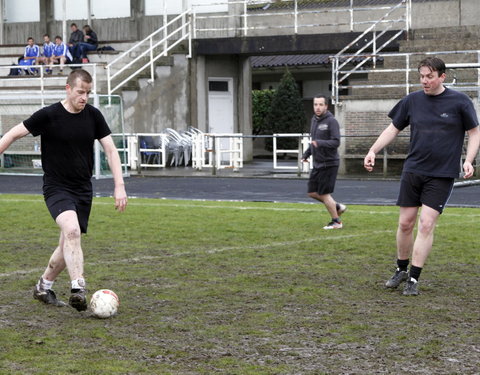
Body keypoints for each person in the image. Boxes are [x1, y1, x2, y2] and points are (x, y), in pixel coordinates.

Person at [0, 69, 128, 311]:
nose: (84, 97)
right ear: (68, 89)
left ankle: (43, 287)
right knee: (71, 231)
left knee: (67, 244)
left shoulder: (93, 116)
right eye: (80, 92)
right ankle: (78, 287)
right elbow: (13, 134)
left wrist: (119, 186)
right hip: (56, 187)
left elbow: (111, 150)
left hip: (82, 189)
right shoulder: (49, 115)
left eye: (88, 93)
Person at [364, 56, 480, 296]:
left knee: (426, 223)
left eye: (429, 77)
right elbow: (392, 129)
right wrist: (373, 150)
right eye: (422, 76)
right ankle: (401, 269)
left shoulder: (460, 101)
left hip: (441, 174)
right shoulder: (412, 101)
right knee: (405, 223)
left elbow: (474, 132)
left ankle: (414, 280)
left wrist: (469, 160)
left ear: (442, 77)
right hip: (413, 170)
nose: (424, 81)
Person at [302, 94, 347, 229]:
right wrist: (306, 154)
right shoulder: (314, 120)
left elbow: (336, 141)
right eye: (315, 104)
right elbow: (313, 141)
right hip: (318, 163)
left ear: (326, 106)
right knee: (311, 192)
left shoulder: (331, 121)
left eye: (321, 104)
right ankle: (337, 207)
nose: (318, 107)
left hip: (329, 163)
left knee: (324, 194)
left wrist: (320, 143)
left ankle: (336, 222)